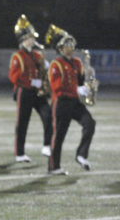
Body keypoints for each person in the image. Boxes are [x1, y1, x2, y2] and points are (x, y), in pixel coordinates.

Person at [45, 24, 96, 174]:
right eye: (67, 44)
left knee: (90, 124)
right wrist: (76, 89)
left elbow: (81, 82)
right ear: (60, 48)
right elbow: (56, 87)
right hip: (60, 103)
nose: (71, 46)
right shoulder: (56, 64)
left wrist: (89, 83)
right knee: (59, 135)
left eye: (72, 43)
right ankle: (54, 167)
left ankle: (81, 154)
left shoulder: (77, 63)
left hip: (74, 102)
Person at [9, 14, 53, 162]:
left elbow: (43, 72)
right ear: (24, 39)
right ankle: (19, 153)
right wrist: (32, 82)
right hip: (24, 92)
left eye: (33, 37)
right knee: (22, 122)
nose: (33, 40)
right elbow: (14, 77)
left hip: (38, 93)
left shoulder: (36, 55)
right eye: (30, 38)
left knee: (49, 116)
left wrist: (46, 68)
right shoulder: (18, 56)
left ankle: (47, 145)